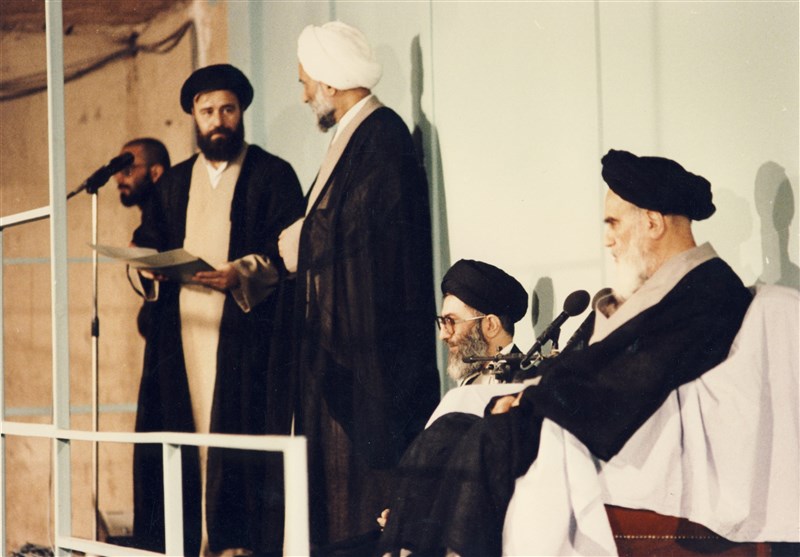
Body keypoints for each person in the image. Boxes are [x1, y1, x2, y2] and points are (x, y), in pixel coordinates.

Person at [378, 149, 753, 557]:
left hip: (638, 443)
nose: (607, 239)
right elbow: (588, 361)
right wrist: (530, 393)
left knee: (490, 439)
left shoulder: (708, 289)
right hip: (596, 414)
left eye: (613, 223)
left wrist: (532, 400)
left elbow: (639, 376)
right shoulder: (656, 287)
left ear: (652, 222)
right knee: (449, 428)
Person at [277, 21, 440, 555]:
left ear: (328, 82)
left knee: (361, 502)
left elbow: (364, 230)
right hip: (339, 347)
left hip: (368, 353)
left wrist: (302, 238)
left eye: (306, 82)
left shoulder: (382, 134)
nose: (304, 95)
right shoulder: (357, 134)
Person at [131, 64, 305, 557]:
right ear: (194, 115)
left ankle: (235, 545)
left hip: (243, 338)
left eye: (227, 110)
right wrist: (149, 264)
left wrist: (241, 273)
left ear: (241, 112)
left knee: (236, 439)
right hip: (182, 336)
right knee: (182, 436)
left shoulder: (272, 175)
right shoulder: (173, 183)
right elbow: (148, 239)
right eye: (207, 111)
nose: (218, 121)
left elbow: (290, 250)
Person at [437, 259, 528, 386]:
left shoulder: (526, 383)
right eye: (442, 321)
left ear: (491, 326)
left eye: (450, 321)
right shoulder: (471, 380)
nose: (442, 335)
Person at [115, 137, 171, 337]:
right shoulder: (152, 212)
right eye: (117, 170)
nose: (118, 178)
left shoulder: (164, 211)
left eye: (127, 170)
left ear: (155, 172)